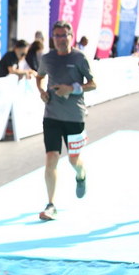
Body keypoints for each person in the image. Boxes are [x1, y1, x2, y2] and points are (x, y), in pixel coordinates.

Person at [35, 20, 96, 221]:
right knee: (51, 157)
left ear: (71, 36)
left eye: (64, 35)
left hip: (74, 116)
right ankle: (50, 204)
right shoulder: (48, 58)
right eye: (57, 35)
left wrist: (71, 89)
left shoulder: (79, 57)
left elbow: (93, 84)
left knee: (73, 159)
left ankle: (81, 175)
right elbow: (39, 76)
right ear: (53, 38)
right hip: (51, 115)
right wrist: (42, 91)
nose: (61, 39)